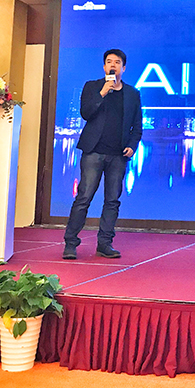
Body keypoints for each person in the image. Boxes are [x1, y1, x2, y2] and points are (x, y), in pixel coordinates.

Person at [63, 49, 143, 259]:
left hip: (118, 155)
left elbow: (137, 125)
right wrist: (102, 92)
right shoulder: (92, 87)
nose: (113, 65)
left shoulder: (132, 94)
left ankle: (105, 244)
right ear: (104, 67)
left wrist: (132, 146)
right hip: (93, 152)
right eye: (109, 62)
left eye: (117, 62)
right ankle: (70, 243)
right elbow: (85, 113)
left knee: (112, 201)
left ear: (123, 68)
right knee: (84, 197)